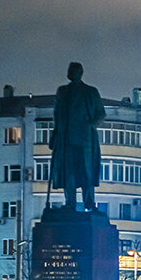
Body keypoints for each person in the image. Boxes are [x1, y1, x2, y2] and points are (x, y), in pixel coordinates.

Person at [52, 62, 106, 212]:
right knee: (69, 173)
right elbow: (57, 114)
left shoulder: (90, 92)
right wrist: (55, 135)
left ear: (79, 73)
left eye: (72, 71)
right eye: (69, 70)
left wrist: (90, 124)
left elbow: (101, 113)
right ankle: (70, 203)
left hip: (85, 140)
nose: (69, 73)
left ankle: (89, 203)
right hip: (67, 140)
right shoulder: (62, 92)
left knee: (86, 172)